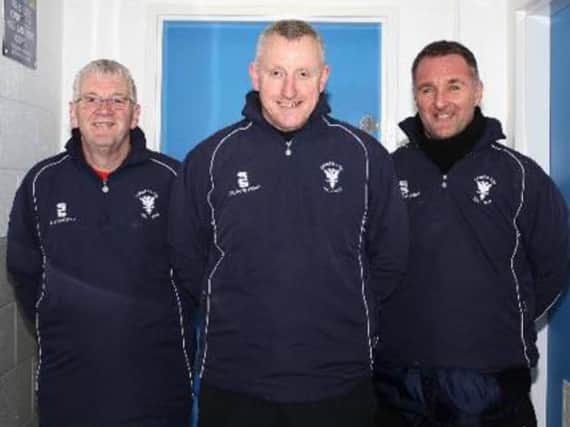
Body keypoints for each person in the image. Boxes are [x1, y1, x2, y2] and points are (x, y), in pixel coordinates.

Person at [169, 19, 409, 427]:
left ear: (323, 77)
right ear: (255, 74)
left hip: (340, 385)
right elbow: (188, 262)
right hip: (234, 386)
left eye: (303, 73)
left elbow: (389, 259)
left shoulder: (366, 157)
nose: (290, 90)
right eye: (277, 73)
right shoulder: (209, 159)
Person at [374, 40, 570, 427]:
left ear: (477, 91)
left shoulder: (521, 176)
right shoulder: (386, 172)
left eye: (454, 86)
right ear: (415, 96)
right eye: (427, 89)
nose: (440, 101)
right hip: (398, 386)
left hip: (490, 387)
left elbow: (553, 266)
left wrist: (498, 317)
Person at [7, 59, 192, 426]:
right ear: (73, 113)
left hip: (157, 382)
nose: (104, 109)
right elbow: (24, 271)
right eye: (90, 99)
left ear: (135, 114)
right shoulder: (41, 182)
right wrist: (63, 320)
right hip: (69, 383)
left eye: (117, 100)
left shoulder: (173, 179)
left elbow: (195, 270)